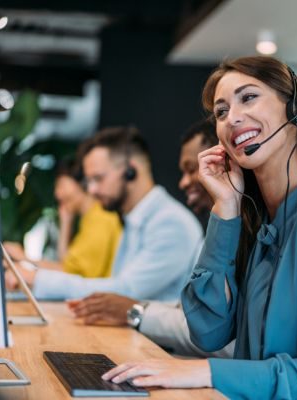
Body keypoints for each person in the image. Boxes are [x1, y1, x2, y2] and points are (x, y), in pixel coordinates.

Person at [100, 56, 297, 399]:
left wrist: (203, 371)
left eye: (248, 97)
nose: (233, 118)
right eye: (221, 112)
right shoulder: (258, 219)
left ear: (295, 110)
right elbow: (207, 331)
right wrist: (225, 209)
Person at [67, 120, 234, 358]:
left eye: (192, 169)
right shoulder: (134, 220)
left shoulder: (172, 223)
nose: (183, 182)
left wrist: (135, 311)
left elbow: (213, 333)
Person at [6, 127, 203, 302]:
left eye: (98, 178)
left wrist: (37, 279)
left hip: (156, 344)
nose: (91, 190)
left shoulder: (170, 223)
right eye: (89, 181)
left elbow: (125, 291)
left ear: (130, 171)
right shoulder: (134, 217)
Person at [4, 159, 122, 278]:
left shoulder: (100, 218)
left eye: (61, 185)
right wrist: (66, 223)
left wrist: (24, 258)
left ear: (82, 183)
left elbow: (71, 274)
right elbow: (68, 265)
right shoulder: (92, 217)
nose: (57, 193)